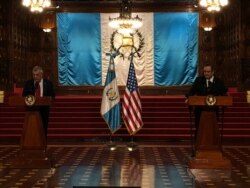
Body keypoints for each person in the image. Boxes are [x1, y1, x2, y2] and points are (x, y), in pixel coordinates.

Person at [186, 64, 228, 140]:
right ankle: (198, 146)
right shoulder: (199, 80)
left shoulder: (219, 82)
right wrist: (188, 98)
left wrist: (226, 100)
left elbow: (224, 94)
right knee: (199, 128)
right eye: (205, 71)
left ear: (212, 72)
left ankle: (214, 146)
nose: (206, 73)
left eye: (208, 71)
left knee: (212, 128)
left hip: (213, 111)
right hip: (200, 111)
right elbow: (192, 92)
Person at [22, 65, 55, 138]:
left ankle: (43, 143)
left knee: (43, 127)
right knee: (31, 127)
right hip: (31, 109)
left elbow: (52, 96)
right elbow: (24, 96)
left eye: (37, 75)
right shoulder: (28, 83)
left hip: (44, 109)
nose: (35, 76)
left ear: (41, 74)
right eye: (33, 75)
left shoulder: (48, 83)